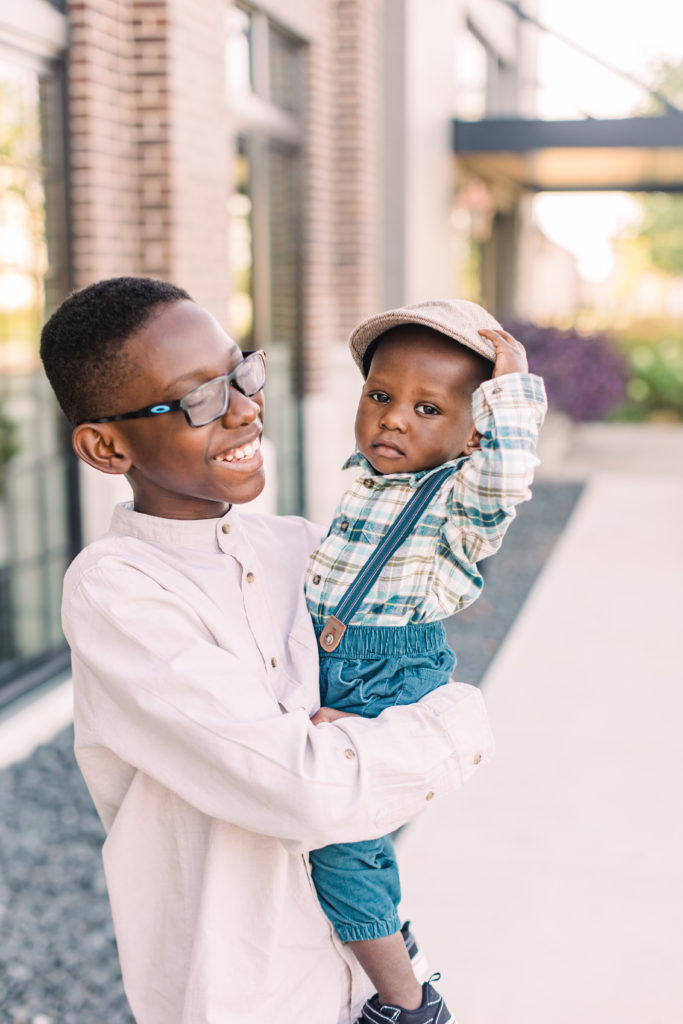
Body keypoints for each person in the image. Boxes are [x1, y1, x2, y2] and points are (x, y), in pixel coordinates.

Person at [39, 278, 496, 1024]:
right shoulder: (117, 592)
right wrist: (461, 723)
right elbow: (307, 790)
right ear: (106, 446)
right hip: (242, 990)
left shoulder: (299, 546)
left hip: (358, 978)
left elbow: (375, 714)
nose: (246, 408)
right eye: (197, 399)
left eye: (240, 374)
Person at [304, 299, 547, 1023]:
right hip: (331, 663)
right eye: (379, 396)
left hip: (385, 677)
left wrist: (511, 390)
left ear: (473, 434)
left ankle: (407, 1001)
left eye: (427, 409)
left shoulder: (457, 502)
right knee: (324, 831)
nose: (394, 419)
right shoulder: (368, 482)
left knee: (342, 846)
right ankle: (384, 933)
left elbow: (506, 481)